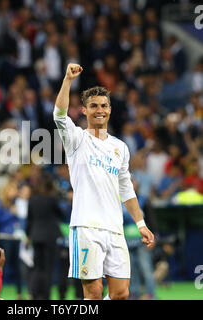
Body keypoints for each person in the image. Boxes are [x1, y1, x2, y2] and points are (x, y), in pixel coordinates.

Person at [53, 63, 155, 300]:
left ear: (109, 109)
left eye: (103, 105)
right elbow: (59, 114)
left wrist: (140, 224)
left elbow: (126, 189)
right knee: (94, 291)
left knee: (120, 293)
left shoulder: (120, 147)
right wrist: (68, 80)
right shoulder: (76, 139)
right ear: (85, 111)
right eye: (93, 106)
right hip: (87, 227)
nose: (99, 110)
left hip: (115, 228)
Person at [26, 172, 64, 300]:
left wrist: (28, 235)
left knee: (37, 267)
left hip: (36, 236)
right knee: (48, 268)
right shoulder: (52, 198)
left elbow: (29, 219)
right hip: (50, 237)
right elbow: (62, 214)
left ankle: (35, 294)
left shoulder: (32, 198)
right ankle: (45, 296)